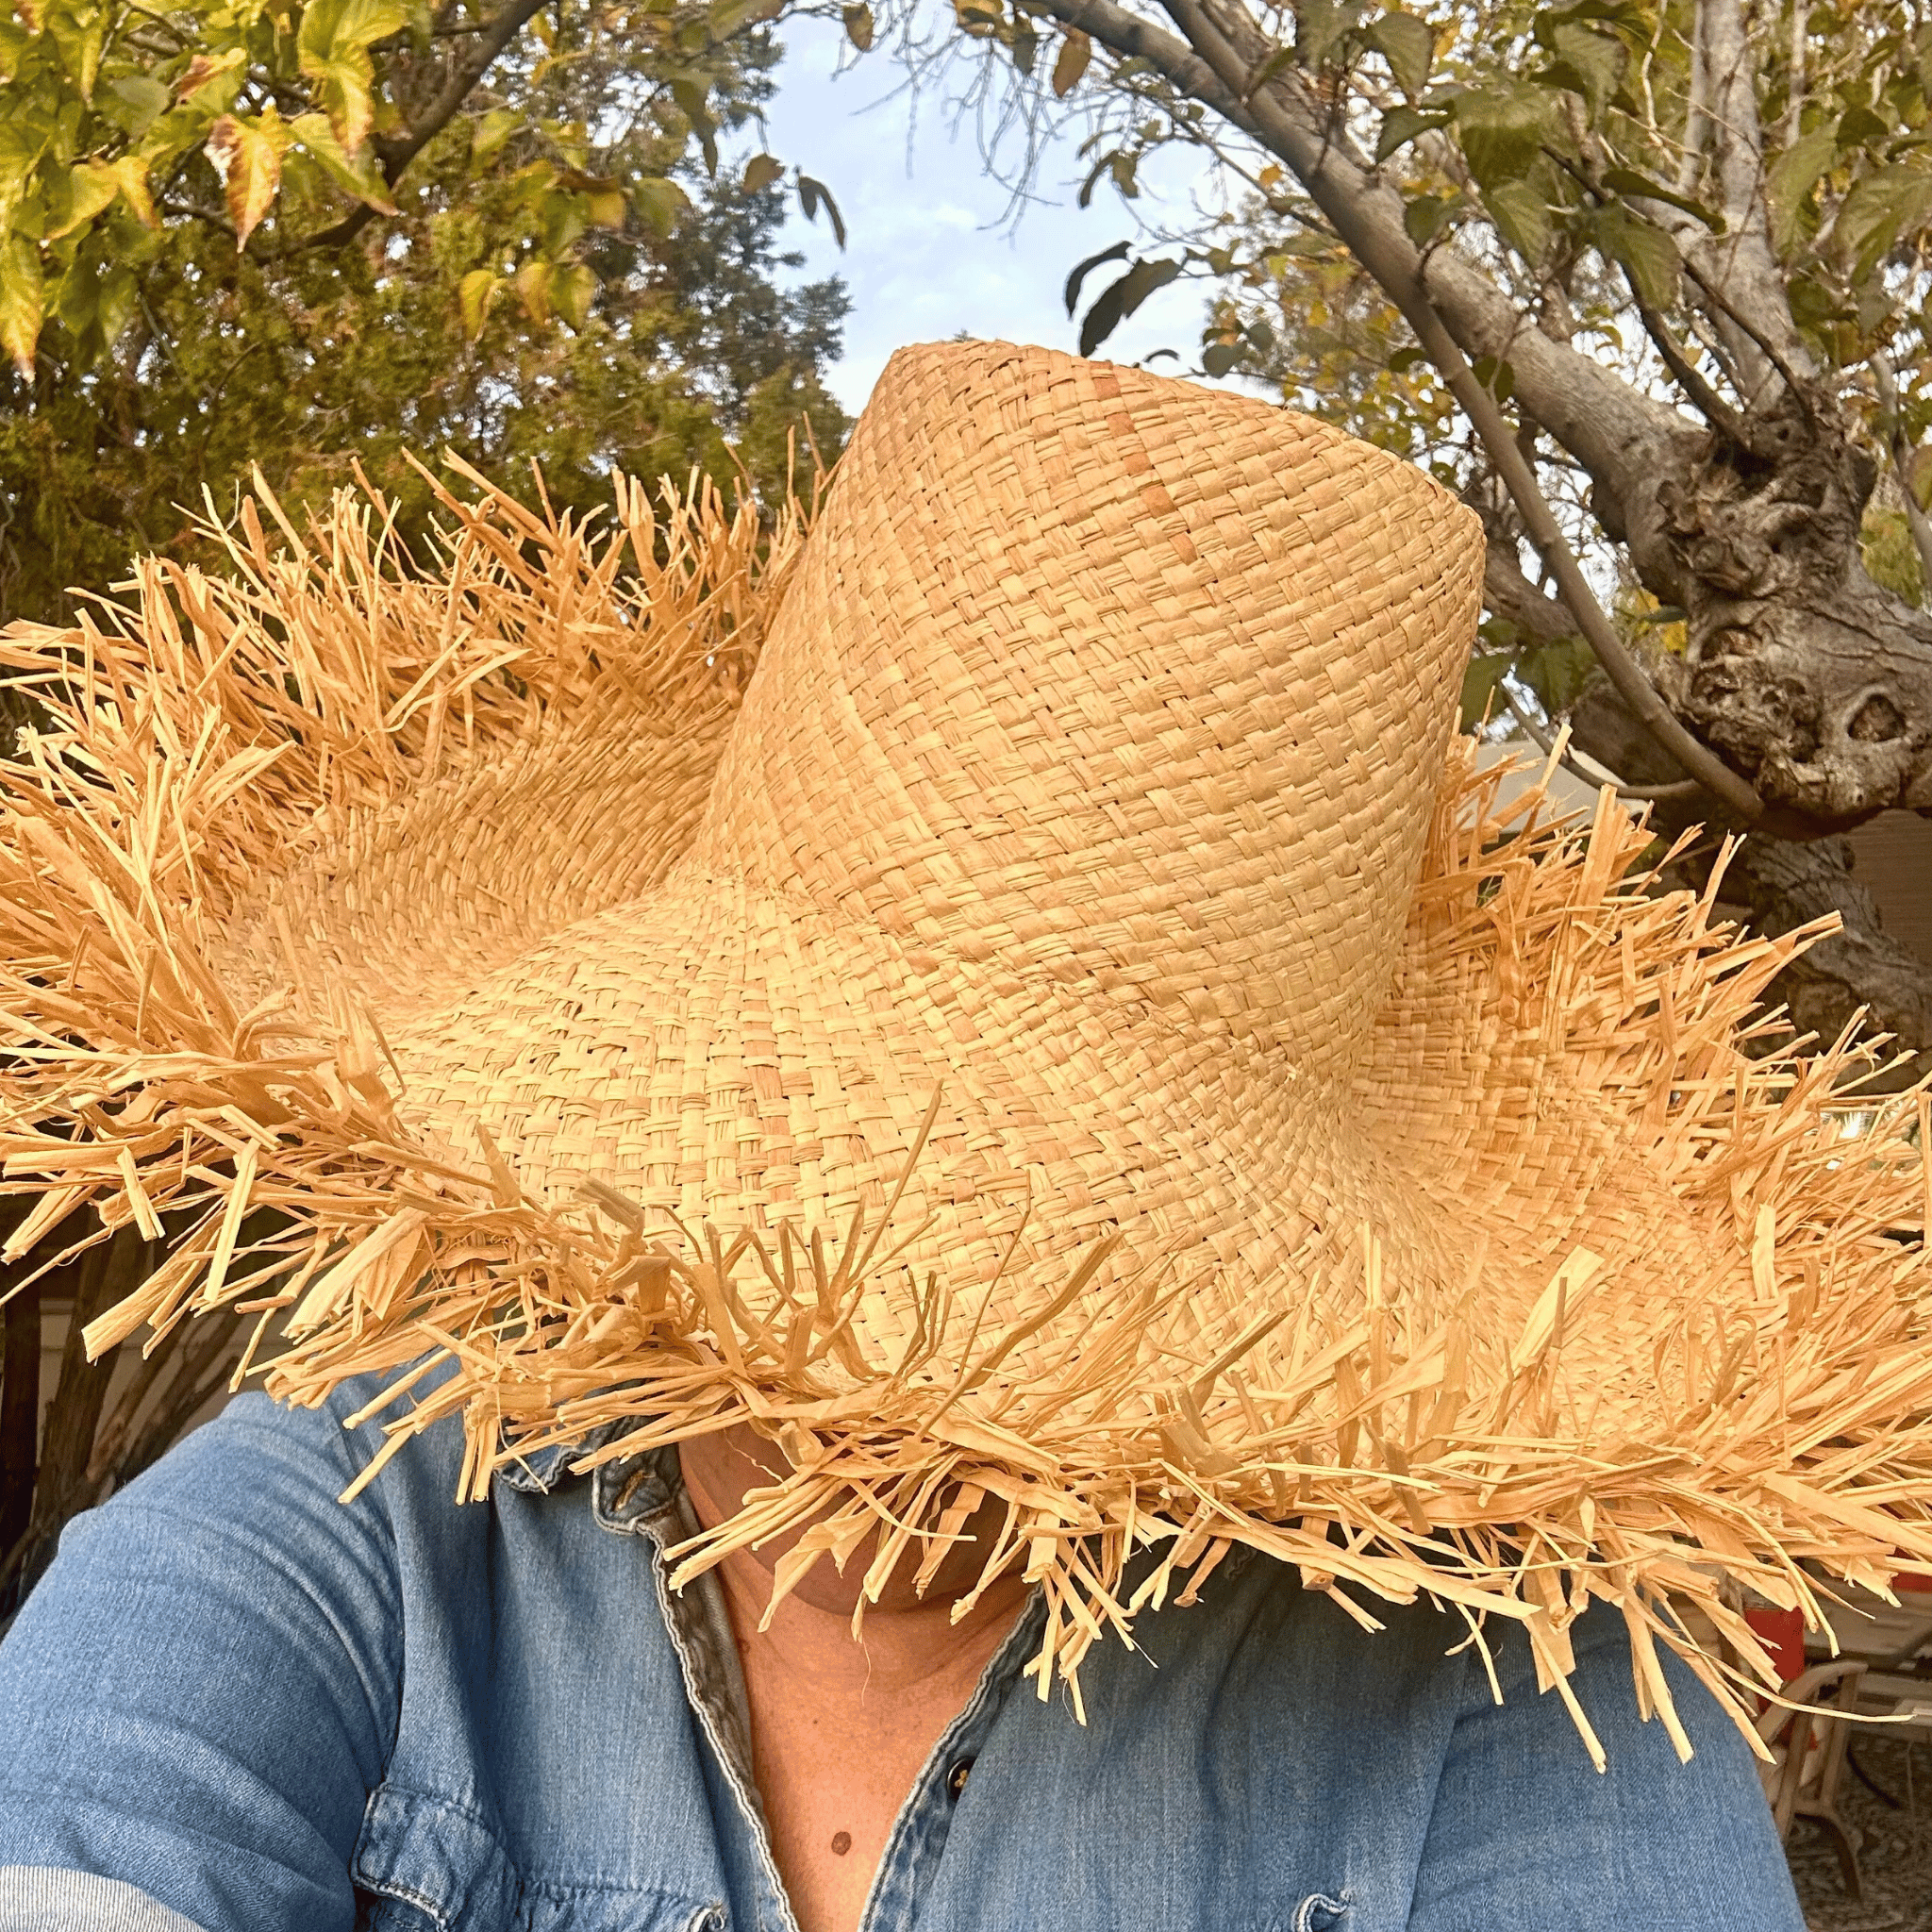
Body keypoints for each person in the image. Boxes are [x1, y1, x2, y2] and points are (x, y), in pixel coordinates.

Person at [0, 339, 1920, 1930]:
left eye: (1064, 1257)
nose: (892, 1390)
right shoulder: (348, 1525)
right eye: (835, 1195)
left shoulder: (1521, 1690)